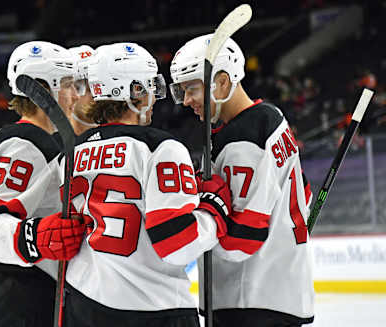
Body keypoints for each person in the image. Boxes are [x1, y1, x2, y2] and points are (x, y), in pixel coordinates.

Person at [63, 42, 232, 327]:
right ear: (135, 91)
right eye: (150, 86)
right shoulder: (160, 148)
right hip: (155, 309)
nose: (154, 97)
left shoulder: (70, 154)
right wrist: (213, 210)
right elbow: (177, 243)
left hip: (84, 304)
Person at [170, 34, 314, 326]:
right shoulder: (272, 118)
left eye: (191, 89)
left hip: (248, 300)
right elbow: (305, 194)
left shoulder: (243, 137)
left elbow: (239, 242)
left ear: (222, 82)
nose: (186, 101)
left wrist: (208, 206)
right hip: (278, 295)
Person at [0, 41, 86, 327]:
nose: (74, 93)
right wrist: (37, 236)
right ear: (42, 88)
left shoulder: (27, 139)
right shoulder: (24, 144)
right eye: (67, 83)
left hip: (27, 287)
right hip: (19, 292)